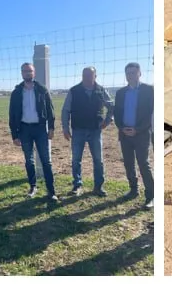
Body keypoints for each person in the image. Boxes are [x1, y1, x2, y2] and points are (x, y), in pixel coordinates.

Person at [8, 63, 59, 202]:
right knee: (29, 161)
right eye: (25, 71)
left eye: (30, 71)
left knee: (46, 161)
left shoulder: (42, 90)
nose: (27, 73)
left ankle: (51, 191)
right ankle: (33, 186)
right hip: (24, 130)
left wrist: (52, 128)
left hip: (40, 129)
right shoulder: (17, 92)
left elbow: (50, 110)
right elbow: (12, 115)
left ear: (34, 73)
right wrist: (14, 135)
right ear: (21, 73)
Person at [62, 66, 114, 197]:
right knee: (76, 160)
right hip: (78, 130)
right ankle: (77, 186)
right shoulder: (74, 91)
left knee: (98, 160)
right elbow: (65, 110)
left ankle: (98, 186)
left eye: (90, 75)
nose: (87, 78)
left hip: (95, 131)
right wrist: (65, 127)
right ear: (82, 76)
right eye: (85, 75)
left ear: (95, 76)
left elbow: (112, 106)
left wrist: (107, 121)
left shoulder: (101, 91)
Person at [113, 62, 154, 208]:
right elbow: (116, 113)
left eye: (133, 72)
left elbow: (151, 114)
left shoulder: (149, 90)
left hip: (141, 134)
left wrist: (138, 129)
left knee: (143, 163)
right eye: (128, 73)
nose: (130, 75)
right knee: (128, 163)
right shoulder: (120, 93)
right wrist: (121, 127)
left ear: (140, 73)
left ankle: (150, 196)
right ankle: (133, 190)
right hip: (125, 134)